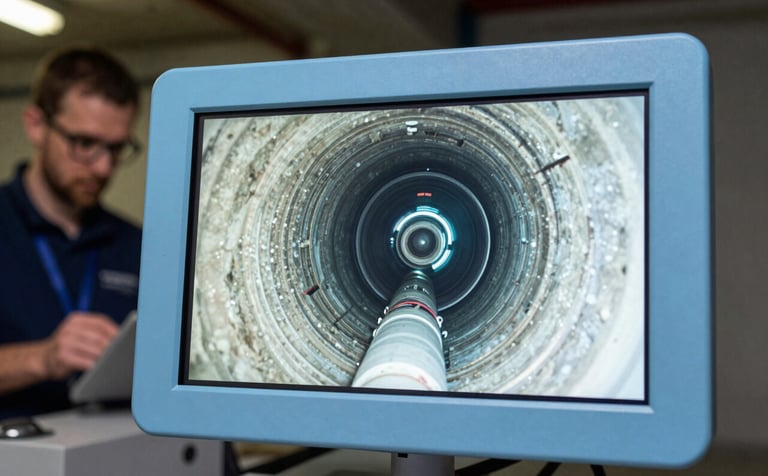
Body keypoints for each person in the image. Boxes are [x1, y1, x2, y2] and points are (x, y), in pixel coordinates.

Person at [0, 46, 142, 419]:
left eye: (116, 148)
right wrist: (41, 359)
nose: (102, 167)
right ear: (36, 125)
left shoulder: (135, 246)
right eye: (84, 144)